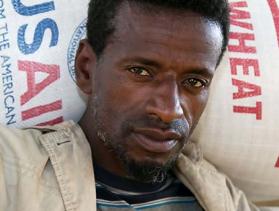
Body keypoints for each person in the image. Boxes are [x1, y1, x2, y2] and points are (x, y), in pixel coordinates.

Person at [0, 0, 259, 211]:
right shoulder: (12, 167)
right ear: (86, 69)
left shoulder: (225, 198)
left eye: (194, 81)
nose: (169, 110)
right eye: (142, 71)